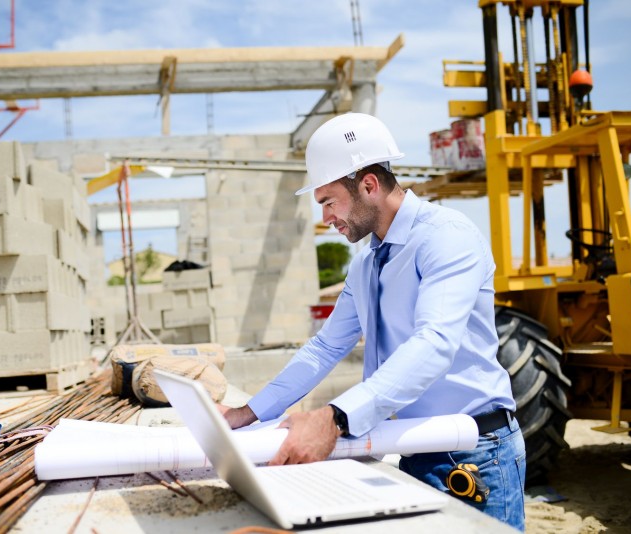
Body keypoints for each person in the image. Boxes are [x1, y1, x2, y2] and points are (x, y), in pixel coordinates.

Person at [219, 112, 526, 530]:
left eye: (328, 201)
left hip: (475, 455)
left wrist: (335, 417)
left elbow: (434, 342)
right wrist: (249, 413)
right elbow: (326, 346)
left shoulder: (446, 237)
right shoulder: (366, 263)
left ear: (368, 185)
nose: (325, 217)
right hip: (413, 449)